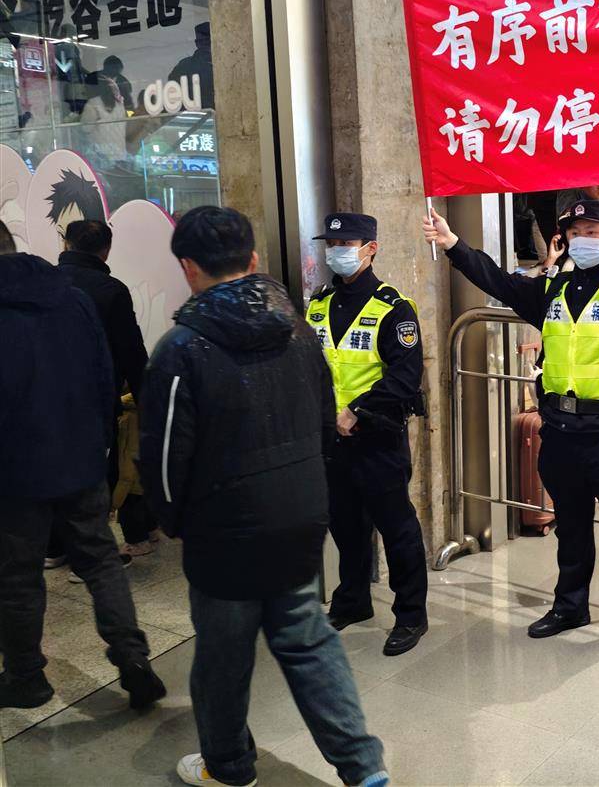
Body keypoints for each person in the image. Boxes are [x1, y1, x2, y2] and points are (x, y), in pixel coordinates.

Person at [137, 207, 386, 787]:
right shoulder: (299, 331)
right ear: (252, 260)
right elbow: (323, 424)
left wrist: (175, 523)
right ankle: (364, 768)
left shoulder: (181, 348)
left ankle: (228, 767)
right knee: (309, 642)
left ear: (188, 267)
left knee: (223, 658)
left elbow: (165, 458)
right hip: (300, 515)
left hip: (224, 532)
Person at [424, 199, 599, 665]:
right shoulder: (551, 290)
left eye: (593, 231)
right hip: (561, 429)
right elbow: (499, 281)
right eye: (575, 232)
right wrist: (453, 245)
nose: (582, 239)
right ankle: (570, 606)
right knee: (569, 527)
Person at [0, 221, 164, 712]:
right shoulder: (71, 298)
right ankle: (133, 657)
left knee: (17, 575)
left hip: (15, 469)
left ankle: (26, 677)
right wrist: (99, 441)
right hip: (80, 456)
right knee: (100, 560)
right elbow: (104, 373)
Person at [306, 213, 429, 656]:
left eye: (345, 244)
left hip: (377, 439)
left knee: (397, 530)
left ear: (370, 248)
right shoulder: (318, 304)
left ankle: (411, 614)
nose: (336, 252)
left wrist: (357, 410)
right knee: (345, 527)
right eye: (332, 244)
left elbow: (405, 376)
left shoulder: (393, 307)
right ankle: (353, 601)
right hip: (331, 442)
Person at [58, 220, 155, 555]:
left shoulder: (44, 284)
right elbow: (131, 351)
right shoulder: (111, 290)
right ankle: (93, 553)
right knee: (102, 472)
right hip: (95, 399)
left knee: (57, 470)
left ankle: (56, 549)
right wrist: (146, 400)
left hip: (46, 399)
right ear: (106, 250)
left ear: (67, 244)